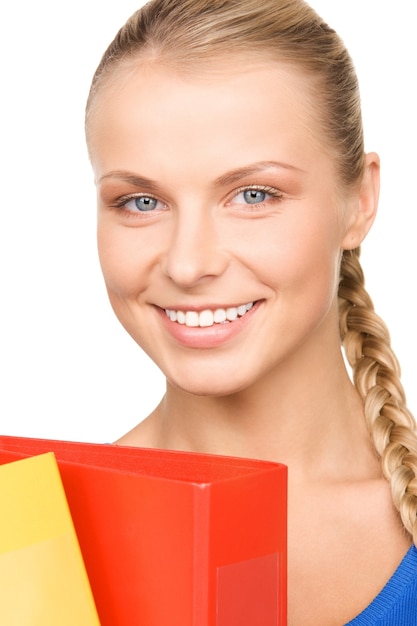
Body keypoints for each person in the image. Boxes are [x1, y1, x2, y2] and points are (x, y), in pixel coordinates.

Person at [84, 0, 417, 623]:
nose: (187, 264)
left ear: (360, 200)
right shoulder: (34, 532)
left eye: (253, 194)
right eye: (139, 201)